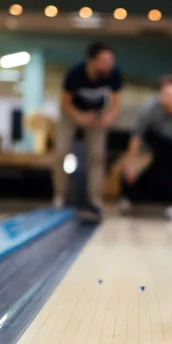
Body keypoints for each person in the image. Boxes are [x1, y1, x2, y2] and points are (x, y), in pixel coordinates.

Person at [53, 41, 123, 217]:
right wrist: (80, 117)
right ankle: (60, 195)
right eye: (104, 61)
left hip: (96, 113)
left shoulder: (114, 75)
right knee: (61, 152)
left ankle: (95, 199)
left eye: (111, 61)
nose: (109, 65)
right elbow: (65, 103)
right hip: (71, 113)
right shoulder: (75, 74)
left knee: (97, 156)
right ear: (92, 61)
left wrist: (108, 116)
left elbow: (115, 104)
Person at [121, 75, 172, 219]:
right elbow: (136, 137)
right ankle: (132, 195)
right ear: (160, 95)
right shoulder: (149, 108)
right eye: (168, 95)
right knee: (165, 159)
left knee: (169, 163)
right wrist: (130, 164)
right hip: (154, 134)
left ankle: (171, 203)